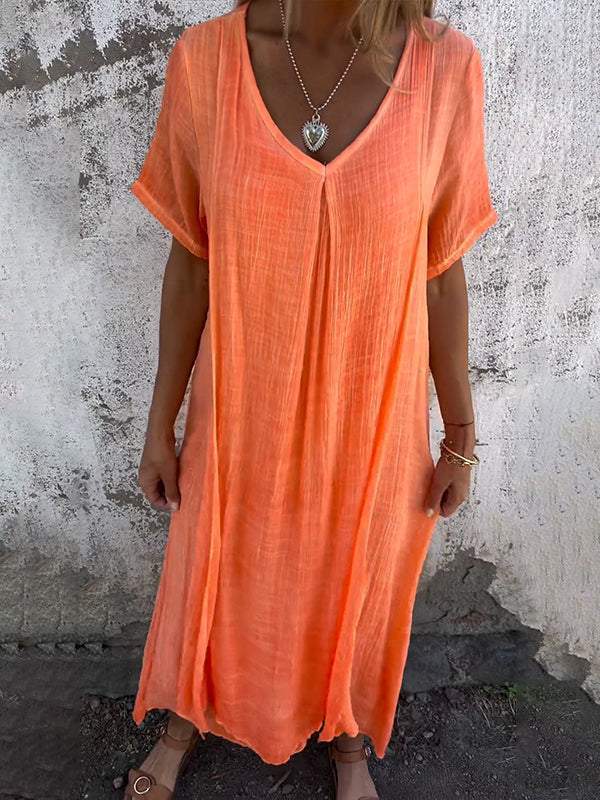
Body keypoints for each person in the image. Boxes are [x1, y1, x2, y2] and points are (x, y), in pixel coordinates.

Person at [123, 0, 498, 797]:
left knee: (361, 564)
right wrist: (160, 425)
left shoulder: (445, 68)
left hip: (374, 406)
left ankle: (347, 733)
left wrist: (460, 432)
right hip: (240, 404)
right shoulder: (208, 62)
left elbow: (440, 270)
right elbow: (192, 259)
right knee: (216, 558)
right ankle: (185, 717)